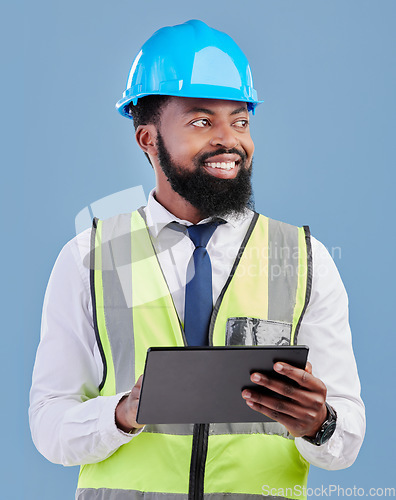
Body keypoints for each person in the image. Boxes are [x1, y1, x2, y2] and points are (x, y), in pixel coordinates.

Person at [29, 20, 365, 500]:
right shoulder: (90, 256)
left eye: (241, 120)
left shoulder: (303, 259)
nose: (229, 140)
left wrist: (320, 422)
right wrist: (123, 413)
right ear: (147, 138)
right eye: (201, 121)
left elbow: (347, 435)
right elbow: (49, 424)